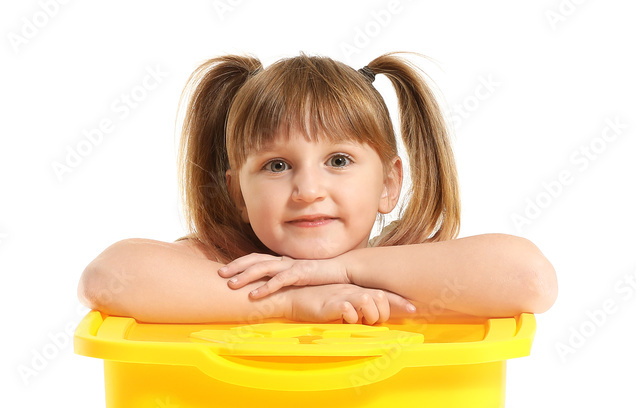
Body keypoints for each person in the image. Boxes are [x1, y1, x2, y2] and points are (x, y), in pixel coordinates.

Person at [77, 51, 557, 325]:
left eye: (339, 161)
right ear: (237, 194)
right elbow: (107, 278)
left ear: (390, 184)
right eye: (278, 164)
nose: (307, 189)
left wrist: (344, 270)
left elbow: (529, 279)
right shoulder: (228, 268)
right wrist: (289, 300)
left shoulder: (414, 269)